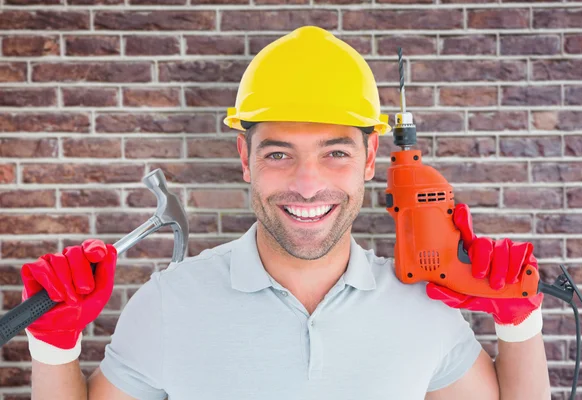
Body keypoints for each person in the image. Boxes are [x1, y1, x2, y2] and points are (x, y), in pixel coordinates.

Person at [22, 26, 550, 399]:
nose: (307, 183)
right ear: (244, 159)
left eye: (334, 152)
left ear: (370, 160)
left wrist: (520, 324)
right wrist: (53, 346)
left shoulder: (423, 308)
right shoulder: (169, 303)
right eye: (279, 153)